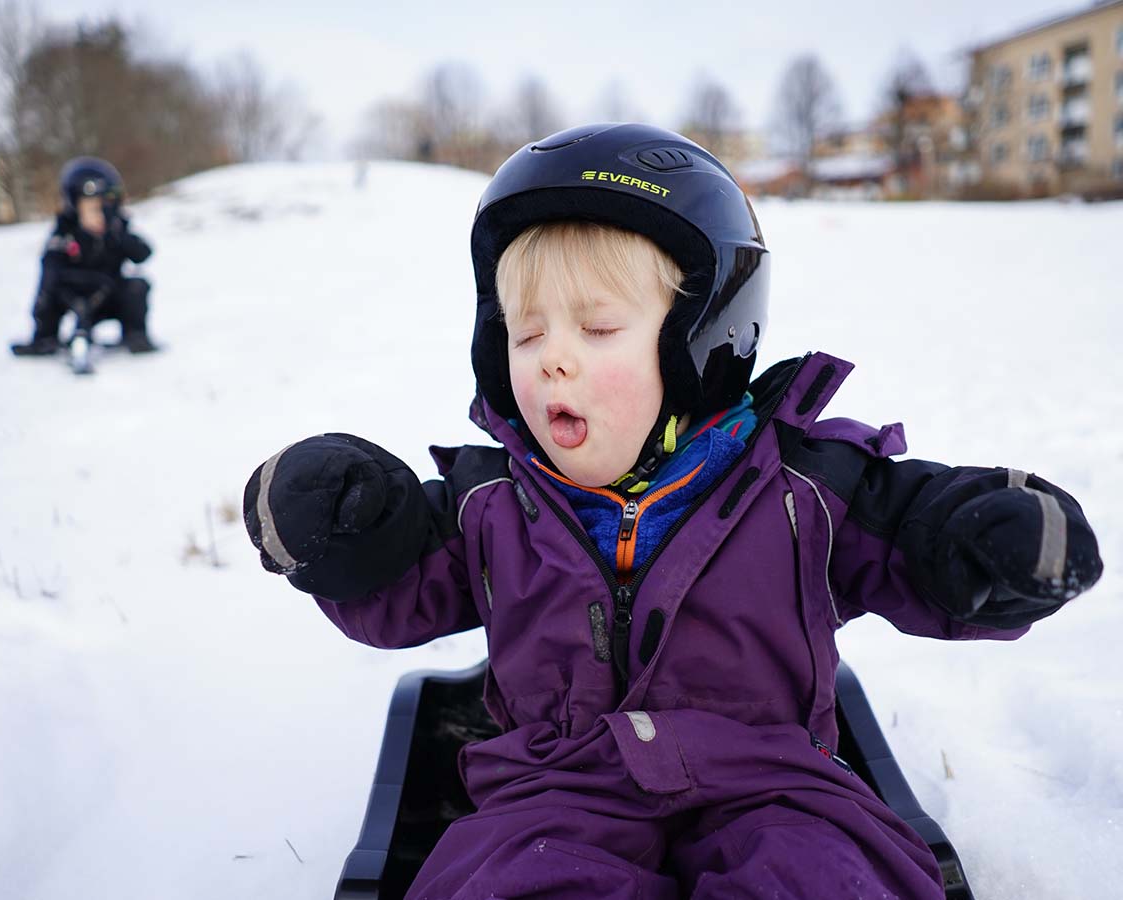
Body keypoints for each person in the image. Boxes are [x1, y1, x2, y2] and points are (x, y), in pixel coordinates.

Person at [241, 124, 1102, 899]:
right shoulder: (488, 503)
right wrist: (351, 526)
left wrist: (983, 539)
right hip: (552, 794)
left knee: (821, 877)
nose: (552, 364)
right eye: (526, 332)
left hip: (775, 785)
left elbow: (913, 526)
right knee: (507, 879)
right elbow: (401, 585)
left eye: (599, 329)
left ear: (705, 340)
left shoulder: (804, 488)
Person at [11, 156, 158, 356]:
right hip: (73, 299)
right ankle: (45, 337)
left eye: (104, 208)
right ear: (75, 207)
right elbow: (49, 272)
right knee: (49, 290)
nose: (99, 215)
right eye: (92, 209)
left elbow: (143, 254)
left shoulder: (116, 231)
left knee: (137, 286)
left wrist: (117, 233)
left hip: (107, 297)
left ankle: (135, 334)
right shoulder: (65, 235)